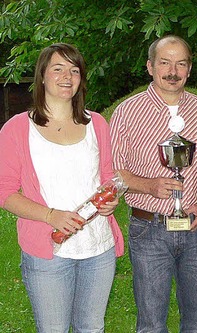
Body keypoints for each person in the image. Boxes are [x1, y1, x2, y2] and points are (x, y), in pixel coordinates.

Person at [0, 43, 124, 332]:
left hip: (98, 248)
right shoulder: (17, 129)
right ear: (42, 76)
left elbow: (107, 177)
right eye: (58, 69)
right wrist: (50, 215)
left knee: (92, 327)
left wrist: (111, 200)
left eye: (74, 70)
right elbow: (4, 192)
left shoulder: (97, 124)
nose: (67, 76)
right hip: (50, 251)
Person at [110, 35, 197, 332]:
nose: (173, 71)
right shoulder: (126, 113)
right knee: (151, 324)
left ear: (189, 68)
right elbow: (114, 174)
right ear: (150, 66)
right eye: (165, 63)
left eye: (181, 63)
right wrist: (149, 186)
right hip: (149, 230)